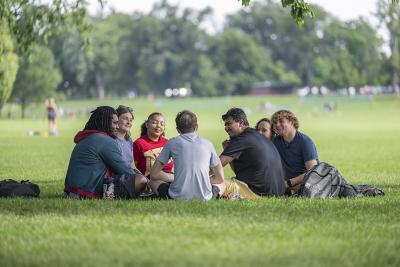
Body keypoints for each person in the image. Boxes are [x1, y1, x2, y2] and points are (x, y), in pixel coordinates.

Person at [64, 106, 147, 199]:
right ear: (105, 122)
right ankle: (108, 196)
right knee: (140, 180)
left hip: (72, 191)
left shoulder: (89, 136)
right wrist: (147, 183)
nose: (117, 126)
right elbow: (123, 169)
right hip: (86, 192)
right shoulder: (104, 140)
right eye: (115, 123)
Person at [150, 110, 225, 200]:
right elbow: (220, 178)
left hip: (176, 197)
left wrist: (174, 178)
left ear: (177, 129)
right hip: (205, 197)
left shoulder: (172, 143)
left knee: (153, 182)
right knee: (222, 184)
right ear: (196, 127)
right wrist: (203, 181)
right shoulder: (208, 144)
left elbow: (154, 174)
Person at [220, 108, 286, 199]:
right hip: (276, 194)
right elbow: (242, 172)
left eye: (229, 124)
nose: (226, 128)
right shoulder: (256, 135)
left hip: (259, 193)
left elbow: (218, 164)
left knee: (214, 182)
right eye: (225, 125)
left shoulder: (242, 138)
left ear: (241, 123)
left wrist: (199, 176)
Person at [270, 110, 318, 191]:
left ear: (292, 122)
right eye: (275, 122)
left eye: (281, 121)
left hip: (307, 183)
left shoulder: (305, 141)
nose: (277, 125)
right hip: (287, 183)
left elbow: (313, 171)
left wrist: (289, 183)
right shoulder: (276, 141)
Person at [133, 112, 174, 180]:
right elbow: (133, 168)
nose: (158, 126)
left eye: (162, 124)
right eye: (155, 122)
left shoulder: (167, 142)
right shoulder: (138, 144)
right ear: (147, 124)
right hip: (150, 183)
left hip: (169, 179)